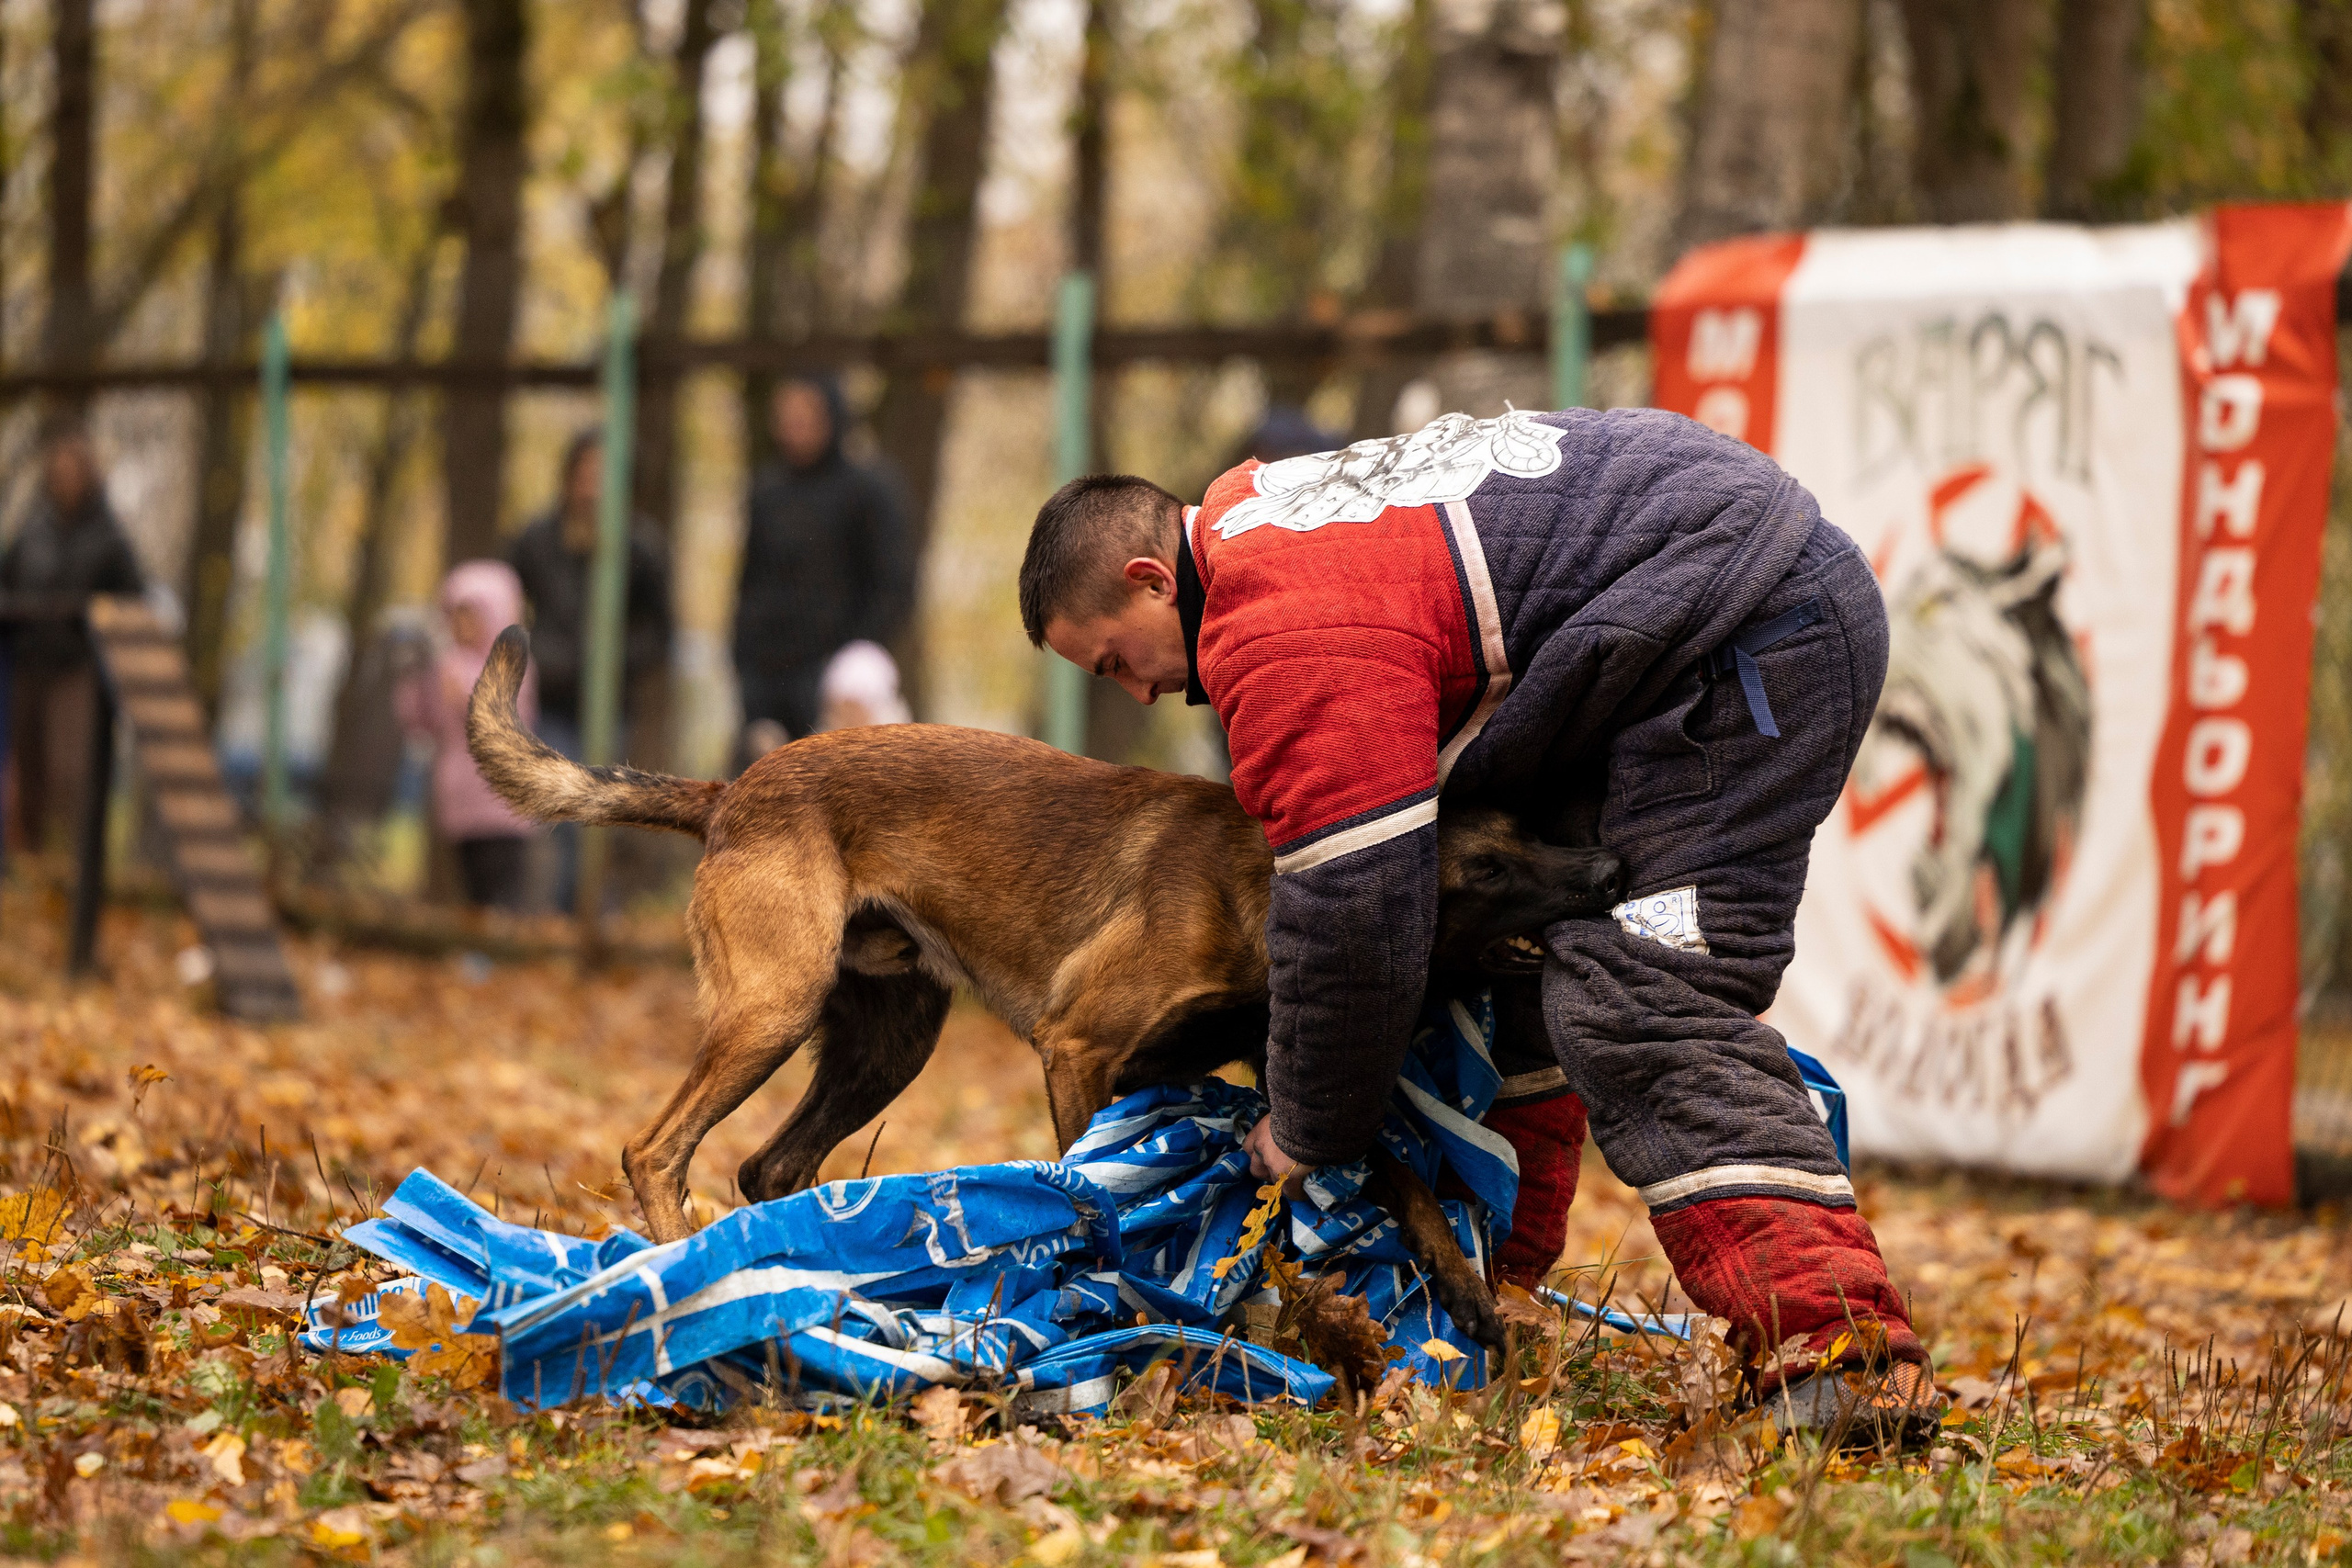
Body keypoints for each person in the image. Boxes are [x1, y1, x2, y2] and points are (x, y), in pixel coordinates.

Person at [1018, 406, 1940, 1441]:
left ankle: (1841, 1350)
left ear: (1152, 581)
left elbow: (1355, 918)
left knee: (1645, 1002)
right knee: (1521, 968)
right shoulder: (1264, 521)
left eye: (1114, 660)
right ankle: (1498, 1296)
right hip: (1694, 616)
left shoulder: (1273, 631)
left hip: (1750, 634)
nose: (1140, 692)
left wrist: (1308, 1126)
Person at [506, 431, 672, 906]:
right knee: (563, 814)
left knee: (598, 814)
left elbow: (658, 631)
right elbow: (508, 604)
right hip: (552, 701)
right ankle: (572, 914)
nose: (593, 487)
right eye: (586, 474)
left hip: (611, 705)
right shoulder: (537, 540)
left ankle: (594, 912)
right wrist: (541, 657)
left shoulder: (640, 547)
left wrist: (615, 661)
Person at [734, 375, 916, 753]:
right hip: (769, 676)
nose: (794, 426)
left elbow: (894, 585)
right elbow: (750, 585)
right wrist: (745, 666)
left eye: (805, 415)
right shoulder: (767, 492)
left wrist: (850, 656)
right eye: (786, 416)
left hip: (841, 672)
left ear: (831, 416)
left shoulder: (870, 491)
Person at [0, 415, 142, 852]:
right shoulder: (33, 529)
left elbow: (133, 596)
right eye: (57, 471)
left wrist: (94, 619)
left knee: (70, 772)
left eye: (71, 471)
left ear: (87, 475)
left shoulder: (108, 536)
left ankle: (73, 861)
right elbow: (7, 579)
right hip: (28, 661)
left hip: (76, 667)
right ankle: (29, 863)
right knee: (27, 771)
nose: (63, 479)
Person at [397, 561, 537, 910]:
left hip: (502, 801)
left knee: (503, 891)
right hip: (458, 799)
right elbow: (423, 723)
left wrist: (458, 689)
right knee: (474, 892)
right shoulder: (446, 663)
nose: (460, 626)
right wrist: (413, 681)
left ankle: (502, 939)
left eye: (470, 616)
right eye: (455, 616)